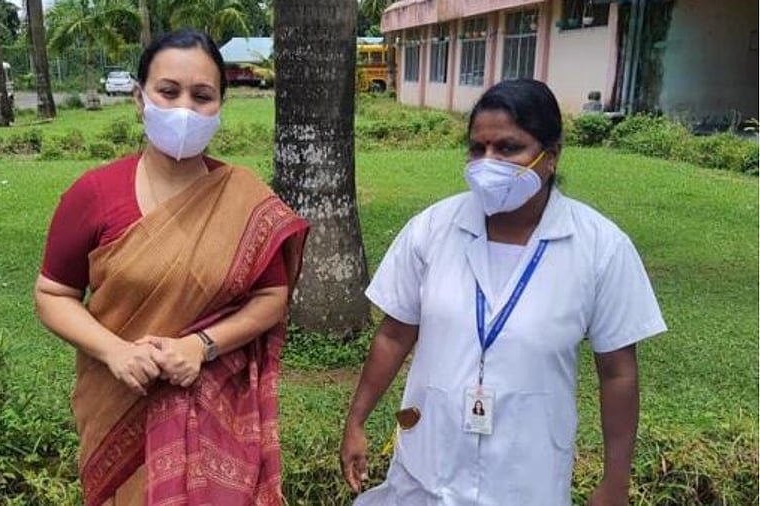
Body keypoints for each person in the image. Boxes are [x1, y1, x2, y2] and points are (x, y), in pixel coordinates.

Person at [340, 79, 666, 506]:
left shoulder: (600, 248)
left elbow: (618, 372)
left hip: (526, 478)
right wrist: (356, 420)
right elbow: (394, 334)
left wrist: (615, 481)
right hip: (427, 468)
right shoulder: (432, 229)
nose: (488, 163)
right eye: (478, 149)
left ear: (551, 155)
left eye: (508, 148)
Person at [34, 28, 308, 506]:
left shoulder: (243, 200)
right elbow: (53, 294)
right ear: (139, 99)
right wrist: (116, 352)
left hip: (214, 416)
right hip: (118, 404)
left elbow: (272, 298)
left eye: (202, 96)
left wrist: (200, 346)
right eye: (168, 91)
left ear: (219, 106)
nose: (185, 109)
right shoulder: (95, 194)